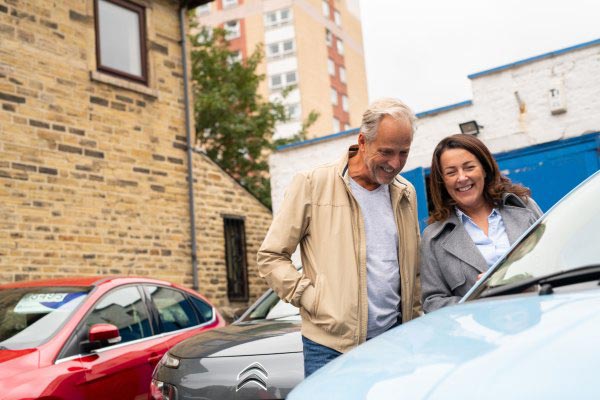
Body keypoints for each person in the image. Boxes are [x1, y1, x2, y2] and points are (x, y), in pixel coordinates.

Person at [257, 98, 422, 377]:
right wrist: (312, 299)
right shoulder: (312, 183)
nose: (395, 164)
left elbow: (412, 270)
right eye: (386, 152)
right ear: (363, 141)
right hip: (330, 347)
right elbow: (271, 257)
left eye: (403, 153)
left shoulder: (406, 192)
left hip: (395, 343)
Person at [420, 134, 542, 313]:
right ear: (442, 181)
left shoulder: (524, 206)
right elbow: (433, 302)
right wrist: (476, 299)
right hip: (481, 335)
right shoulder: (433, 238)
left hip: (538, 318)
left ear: (485, 169)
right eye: (451, 172)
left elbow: (556, 257)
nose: (461, 178)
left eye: (469, 167)